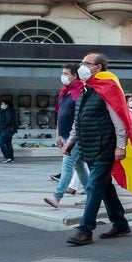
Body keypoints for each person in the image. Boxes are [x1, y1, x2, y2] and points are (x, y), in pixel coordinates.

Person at [64, 52, 132, 245]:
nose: (81, 66)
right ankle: (120, 223)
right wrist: (71, 141)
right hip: (89, 146)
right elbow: (78, 120)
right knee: (104, 187)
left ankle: (85, 230)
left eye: (86, 63)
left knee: (94, 187)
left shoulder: (108, 88)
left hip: (104, 145)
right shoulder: (86, 89)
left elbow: (119, 118)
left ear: (98, 67)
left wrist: (121, 145)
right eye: (81, 62)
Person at [45, 63, 90, 209]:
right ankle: (93, 194)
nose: (63, 76)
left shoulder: (80, 92)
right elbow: (61, 114)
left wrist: (70, 139)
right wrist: (58, 134)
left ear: (75, 75)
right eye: (63, 73)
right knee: (80, 167)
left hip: (75, 137)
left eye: (66, 73)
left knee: (67, 166)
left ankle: (57, 197)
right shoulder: (65, 91)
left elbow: (79, 116)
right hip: (65, 135)